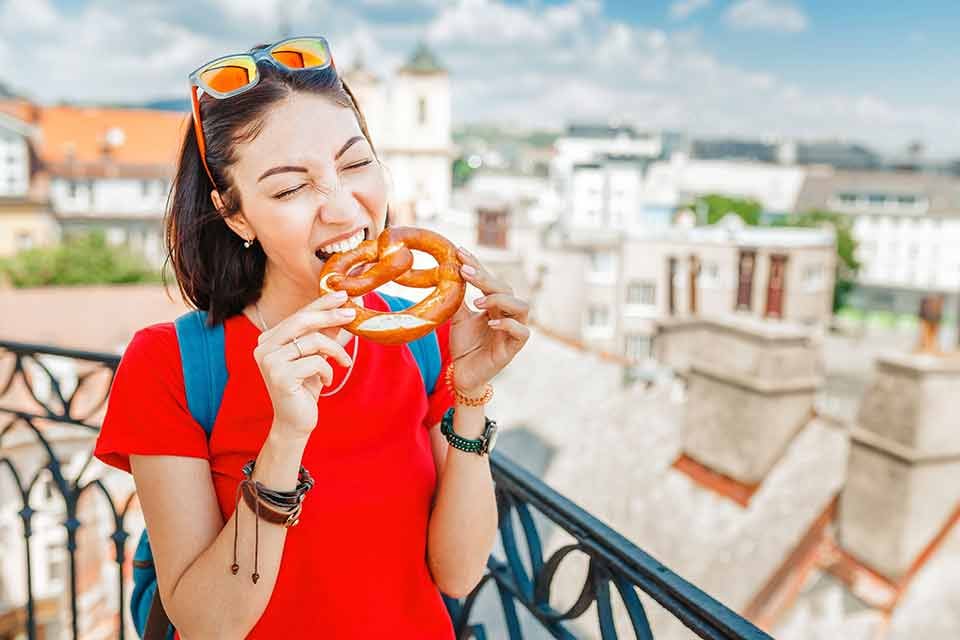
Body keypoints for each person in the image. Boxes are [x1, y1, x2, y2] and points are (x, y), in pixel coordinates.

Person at [93, 36, 530, 639]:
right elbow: (207, 624)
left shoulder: (423, 341)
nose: (344, 209)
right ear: (235, 213)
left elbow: (456, 574)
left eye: (354, 165)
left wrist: (474, 395)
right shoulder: (169, 364)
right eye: (290, 188)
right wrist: (286, 436)